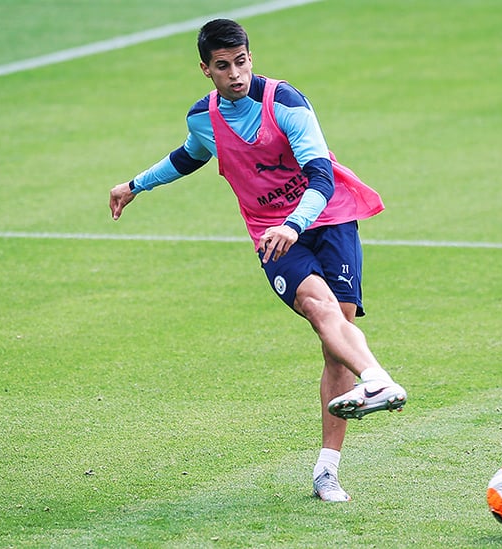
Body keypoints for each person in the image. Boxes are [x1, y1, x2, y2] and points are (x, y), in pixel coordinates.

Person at [108, 18, 406, 502]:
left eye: (241, 62)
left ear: (252, 58)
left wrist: (292, 225)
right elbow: (187, 156)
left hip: (327, 219)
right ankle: (376, 380)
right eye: (223, 67)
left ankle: (326, 469)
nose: (236, 74)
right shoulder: (202, 118)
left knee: (337, 346)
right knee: (320, 312)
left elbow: (322, 177)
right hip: (271, 237)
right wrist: (135, 184)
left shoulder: (286, 103)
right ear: (205, 70)